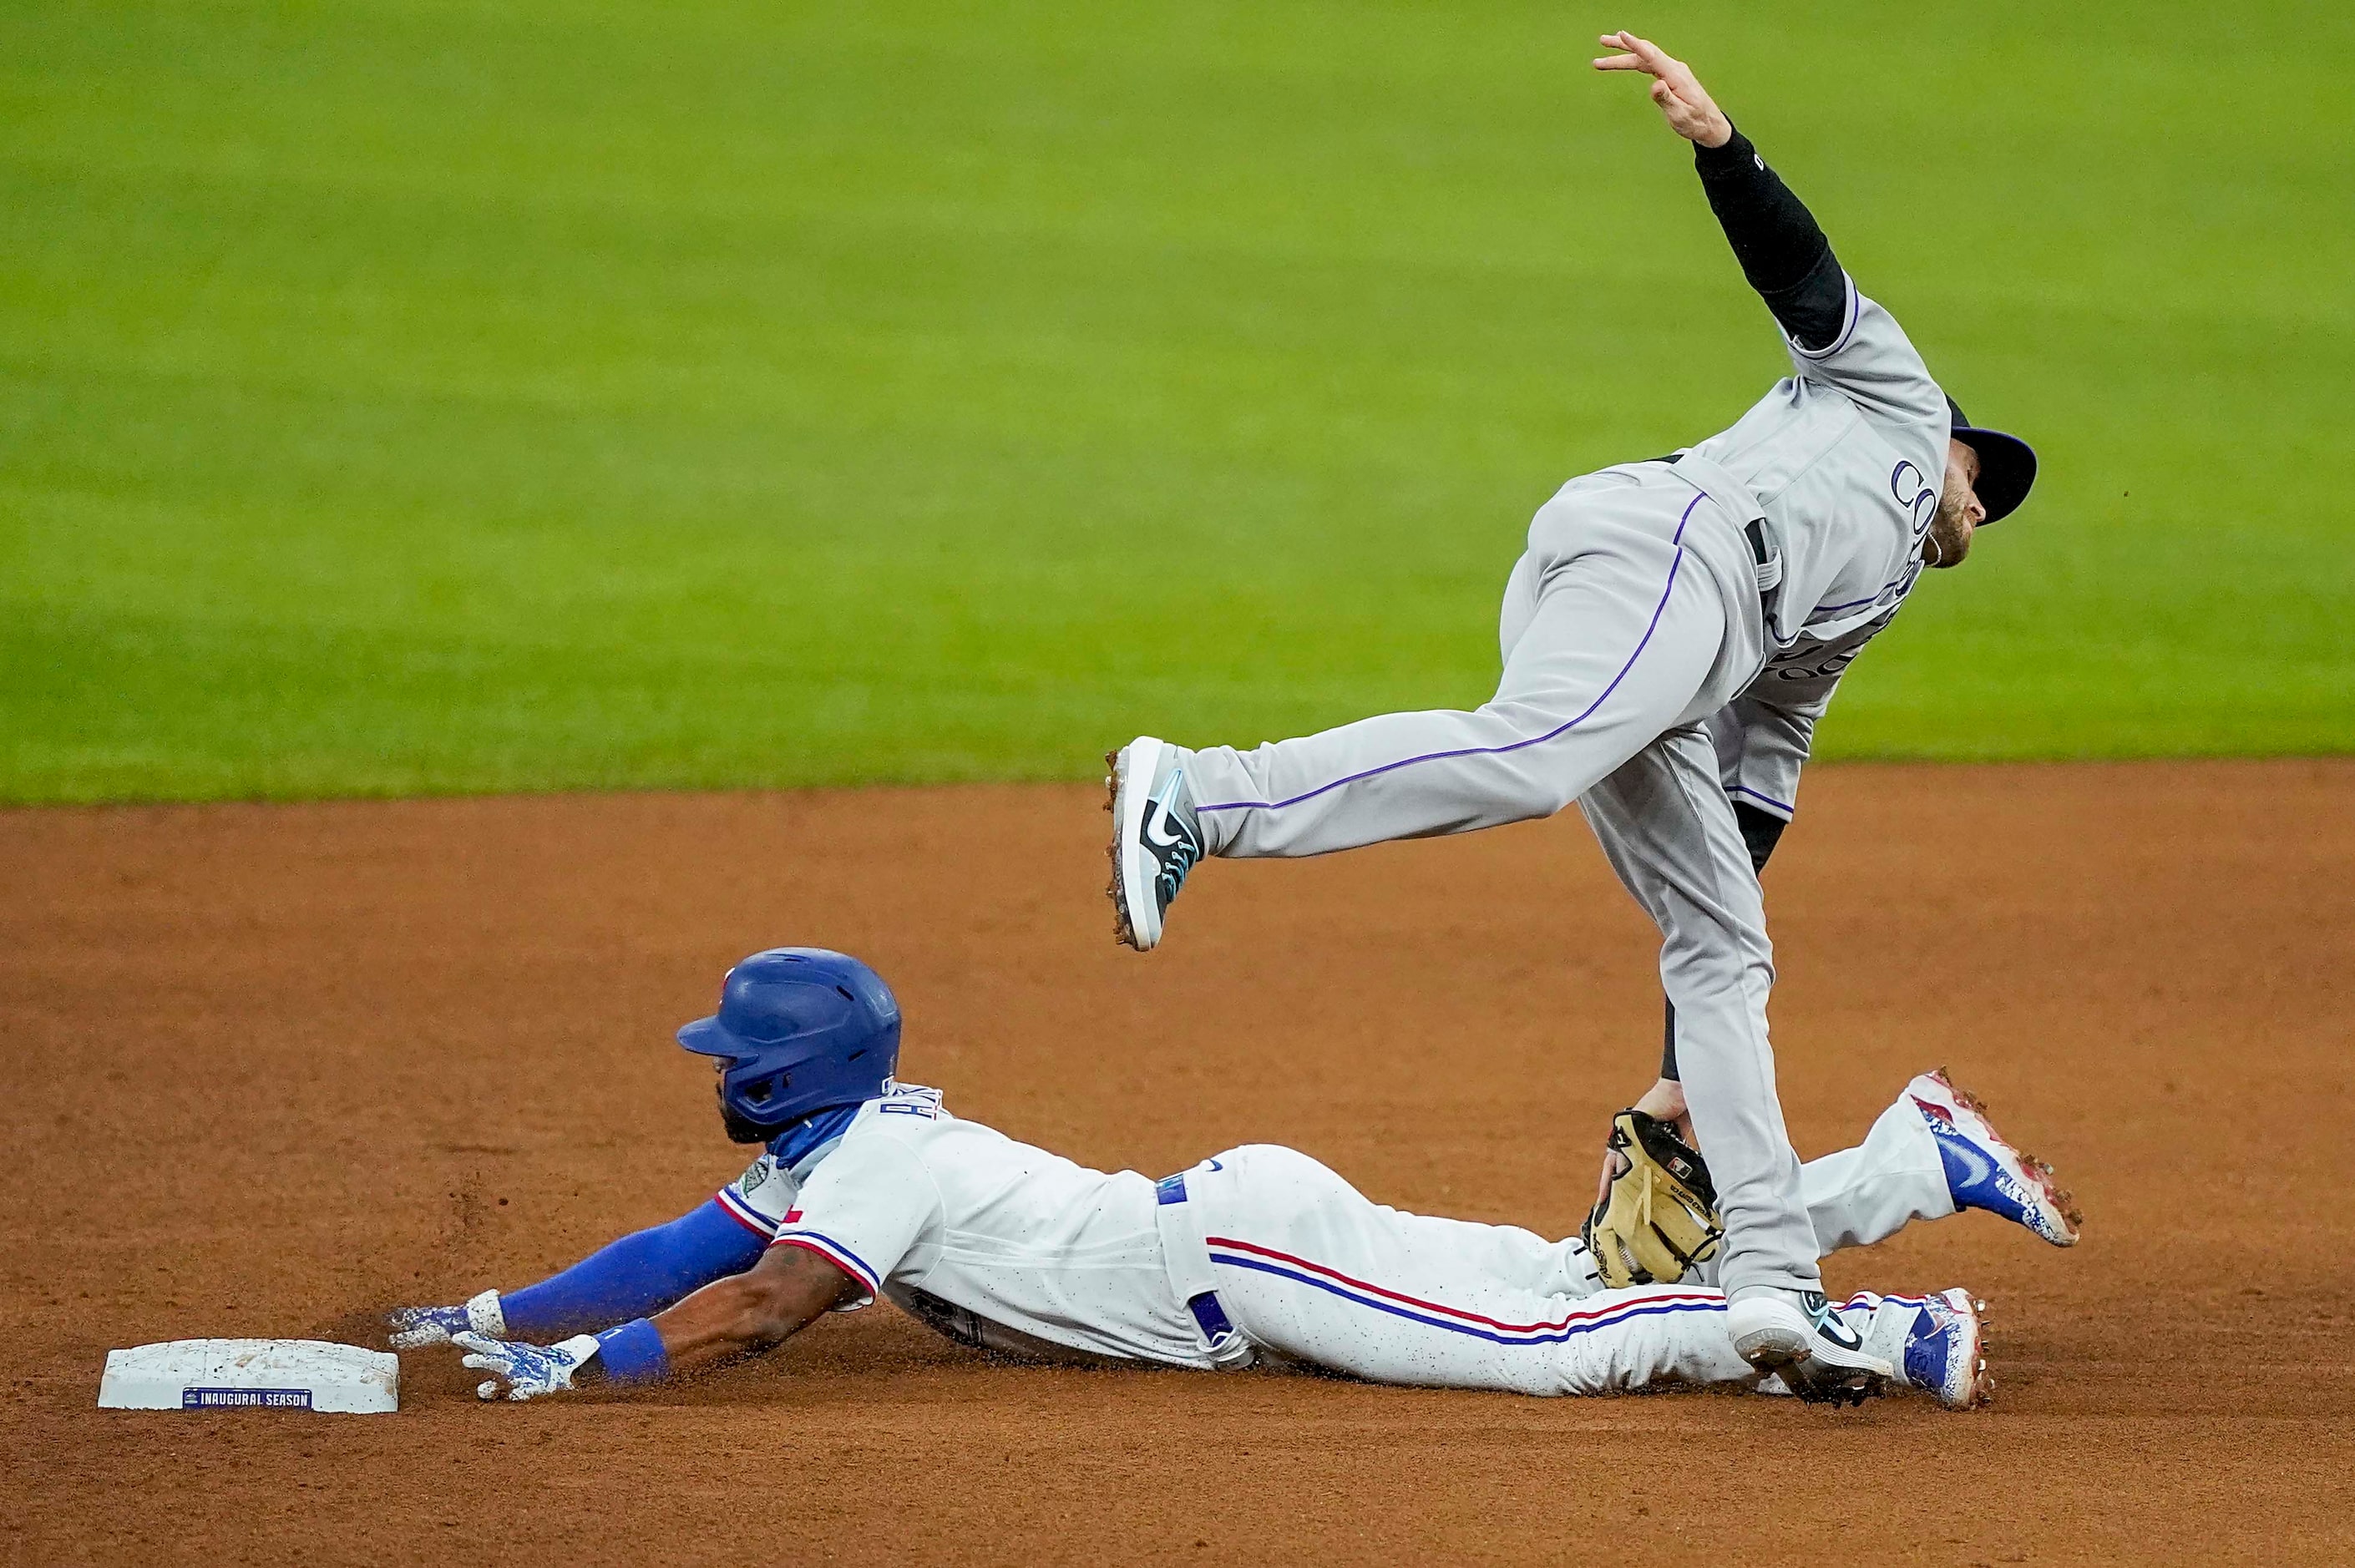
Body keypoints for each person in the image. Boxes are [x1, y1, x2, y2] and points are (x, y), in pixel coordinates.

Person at [1100, 32, 2040, 1391]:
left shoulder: (1864, 608)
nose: (1981, 502)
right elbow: (1805, 275)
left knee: (1725, 945)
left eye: (1995, 507)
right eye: (1982, 475)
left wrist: (1676, 1049)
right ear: (1948, 435)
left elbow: (1758, 790)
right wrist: (1725, 149)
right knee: (1535, 760)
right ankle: (1201, 790)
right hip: (1671, 554)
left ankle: (1775, 1285)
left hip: (1679, 632)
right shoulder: (1884, 389)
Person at [392, 948, 2079, 1409]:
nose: (718, 1078)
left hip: (1252, 1259)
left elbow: (752, 1316)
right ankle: (1905, 1161)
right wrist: (488, 1312)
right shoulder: (848, 1146)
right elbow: (669, 1251)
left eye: (730, 1056)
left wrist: (576, 1376)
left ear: (786, 1071)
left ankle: (1869, 1337)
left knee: (1558, 1350)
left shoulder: (874, 1174)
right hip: (1247, 1227)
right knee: (1577, 1285)